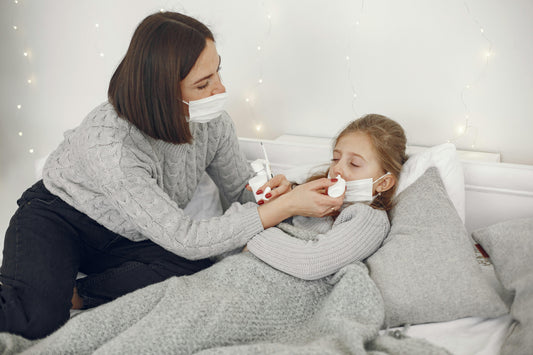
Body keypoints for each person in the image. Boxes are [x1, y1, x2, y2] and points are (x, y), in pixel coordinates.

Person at [0, 11, 343, 340]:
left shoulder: (214, 124)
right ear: (161, 91)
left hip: (130, 233)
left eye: (218, 73)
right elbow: (185, 237)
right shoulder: (111, 143)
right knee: (36, 318)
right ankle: (46, 289)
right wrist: (282, 210)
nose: (220, 90)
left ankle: (80, 293)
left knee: (203, 263)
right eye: (203, 83)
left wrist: (279, 194)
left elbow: (240, 193)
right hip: (60, 217)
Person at [0, 114, 414, 355]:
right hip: (216, 272)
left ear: (381, 183)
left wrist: (259, 224)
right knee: (138, 310)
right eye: (336, 157)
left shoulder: (366, 219)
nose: (339, 169)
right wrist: (270, 204)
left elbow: (309, 263)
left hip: (250, 287)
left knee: (162, 330)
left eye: (355, 164)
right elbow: (239, 220)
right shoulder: (309, 192)